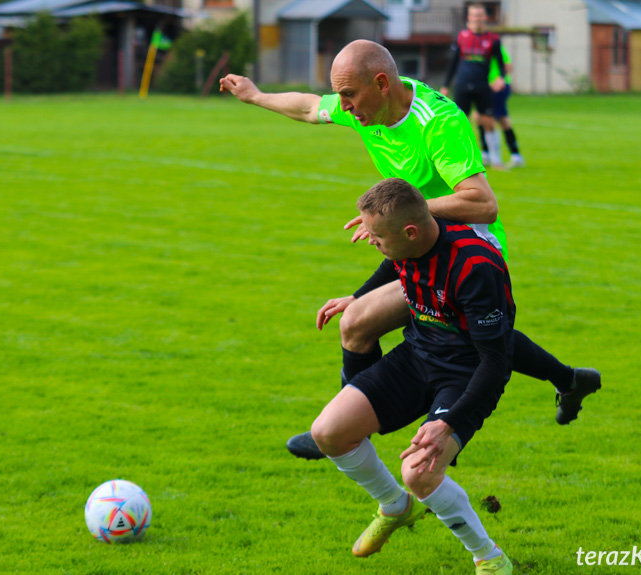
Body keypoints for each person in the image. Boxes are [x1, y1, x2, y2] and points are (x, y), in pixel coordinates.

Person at [218, 39, 600, 462]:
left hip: (469, 252)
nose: (342, 107)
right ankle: (569, 380)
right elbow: (309, 107)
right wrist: (255, 95)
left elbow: (482, 203)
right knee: (378, 323)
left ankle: (350, 426)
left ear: (381, 83)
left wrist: (398, 215)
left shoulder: (438, 124)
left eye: (349, 95)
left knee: (405, 326)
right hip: (417, 244)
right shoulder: (365, 106)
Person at [311, 178, 514, 574]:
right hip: (416, 356)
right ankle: (395, 506)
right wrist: (359, 296)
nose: (371, 241)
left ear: (410, 231)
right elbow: (395, 260)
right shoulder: (410, 241)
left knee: (419, 471)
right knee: (328, 431)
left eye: (377, 235)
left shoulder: (476, 266)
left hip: (466, 373)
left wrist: (448, 424)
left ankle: (489, 556)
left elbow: (496, 362)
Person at [440, 3, 507, 170]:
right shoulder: (461, 37)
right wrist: (446, 85)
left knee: (488, 121)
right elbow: (454, 63)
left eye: (480, 15)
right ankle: (462, 160)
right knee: (460, 122)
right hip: (462, 85)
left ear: (484, 17)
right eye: (474, 15)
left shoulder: (493, 39)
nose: (477, 18)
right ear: (469, 17)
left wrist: (501, 78)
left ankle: (496, 159)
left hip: (482, 85)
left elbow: (501, 63)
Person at [477, 44, 525, 169]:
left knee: (500, 119)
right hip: (483, 88)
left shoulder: (493, 45)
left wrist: (499, 80)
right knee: (479, 117)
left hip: (498, 88)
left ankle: (515, 155)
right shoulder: (474, 49)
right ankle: (486, 153)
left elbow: (508, 66)